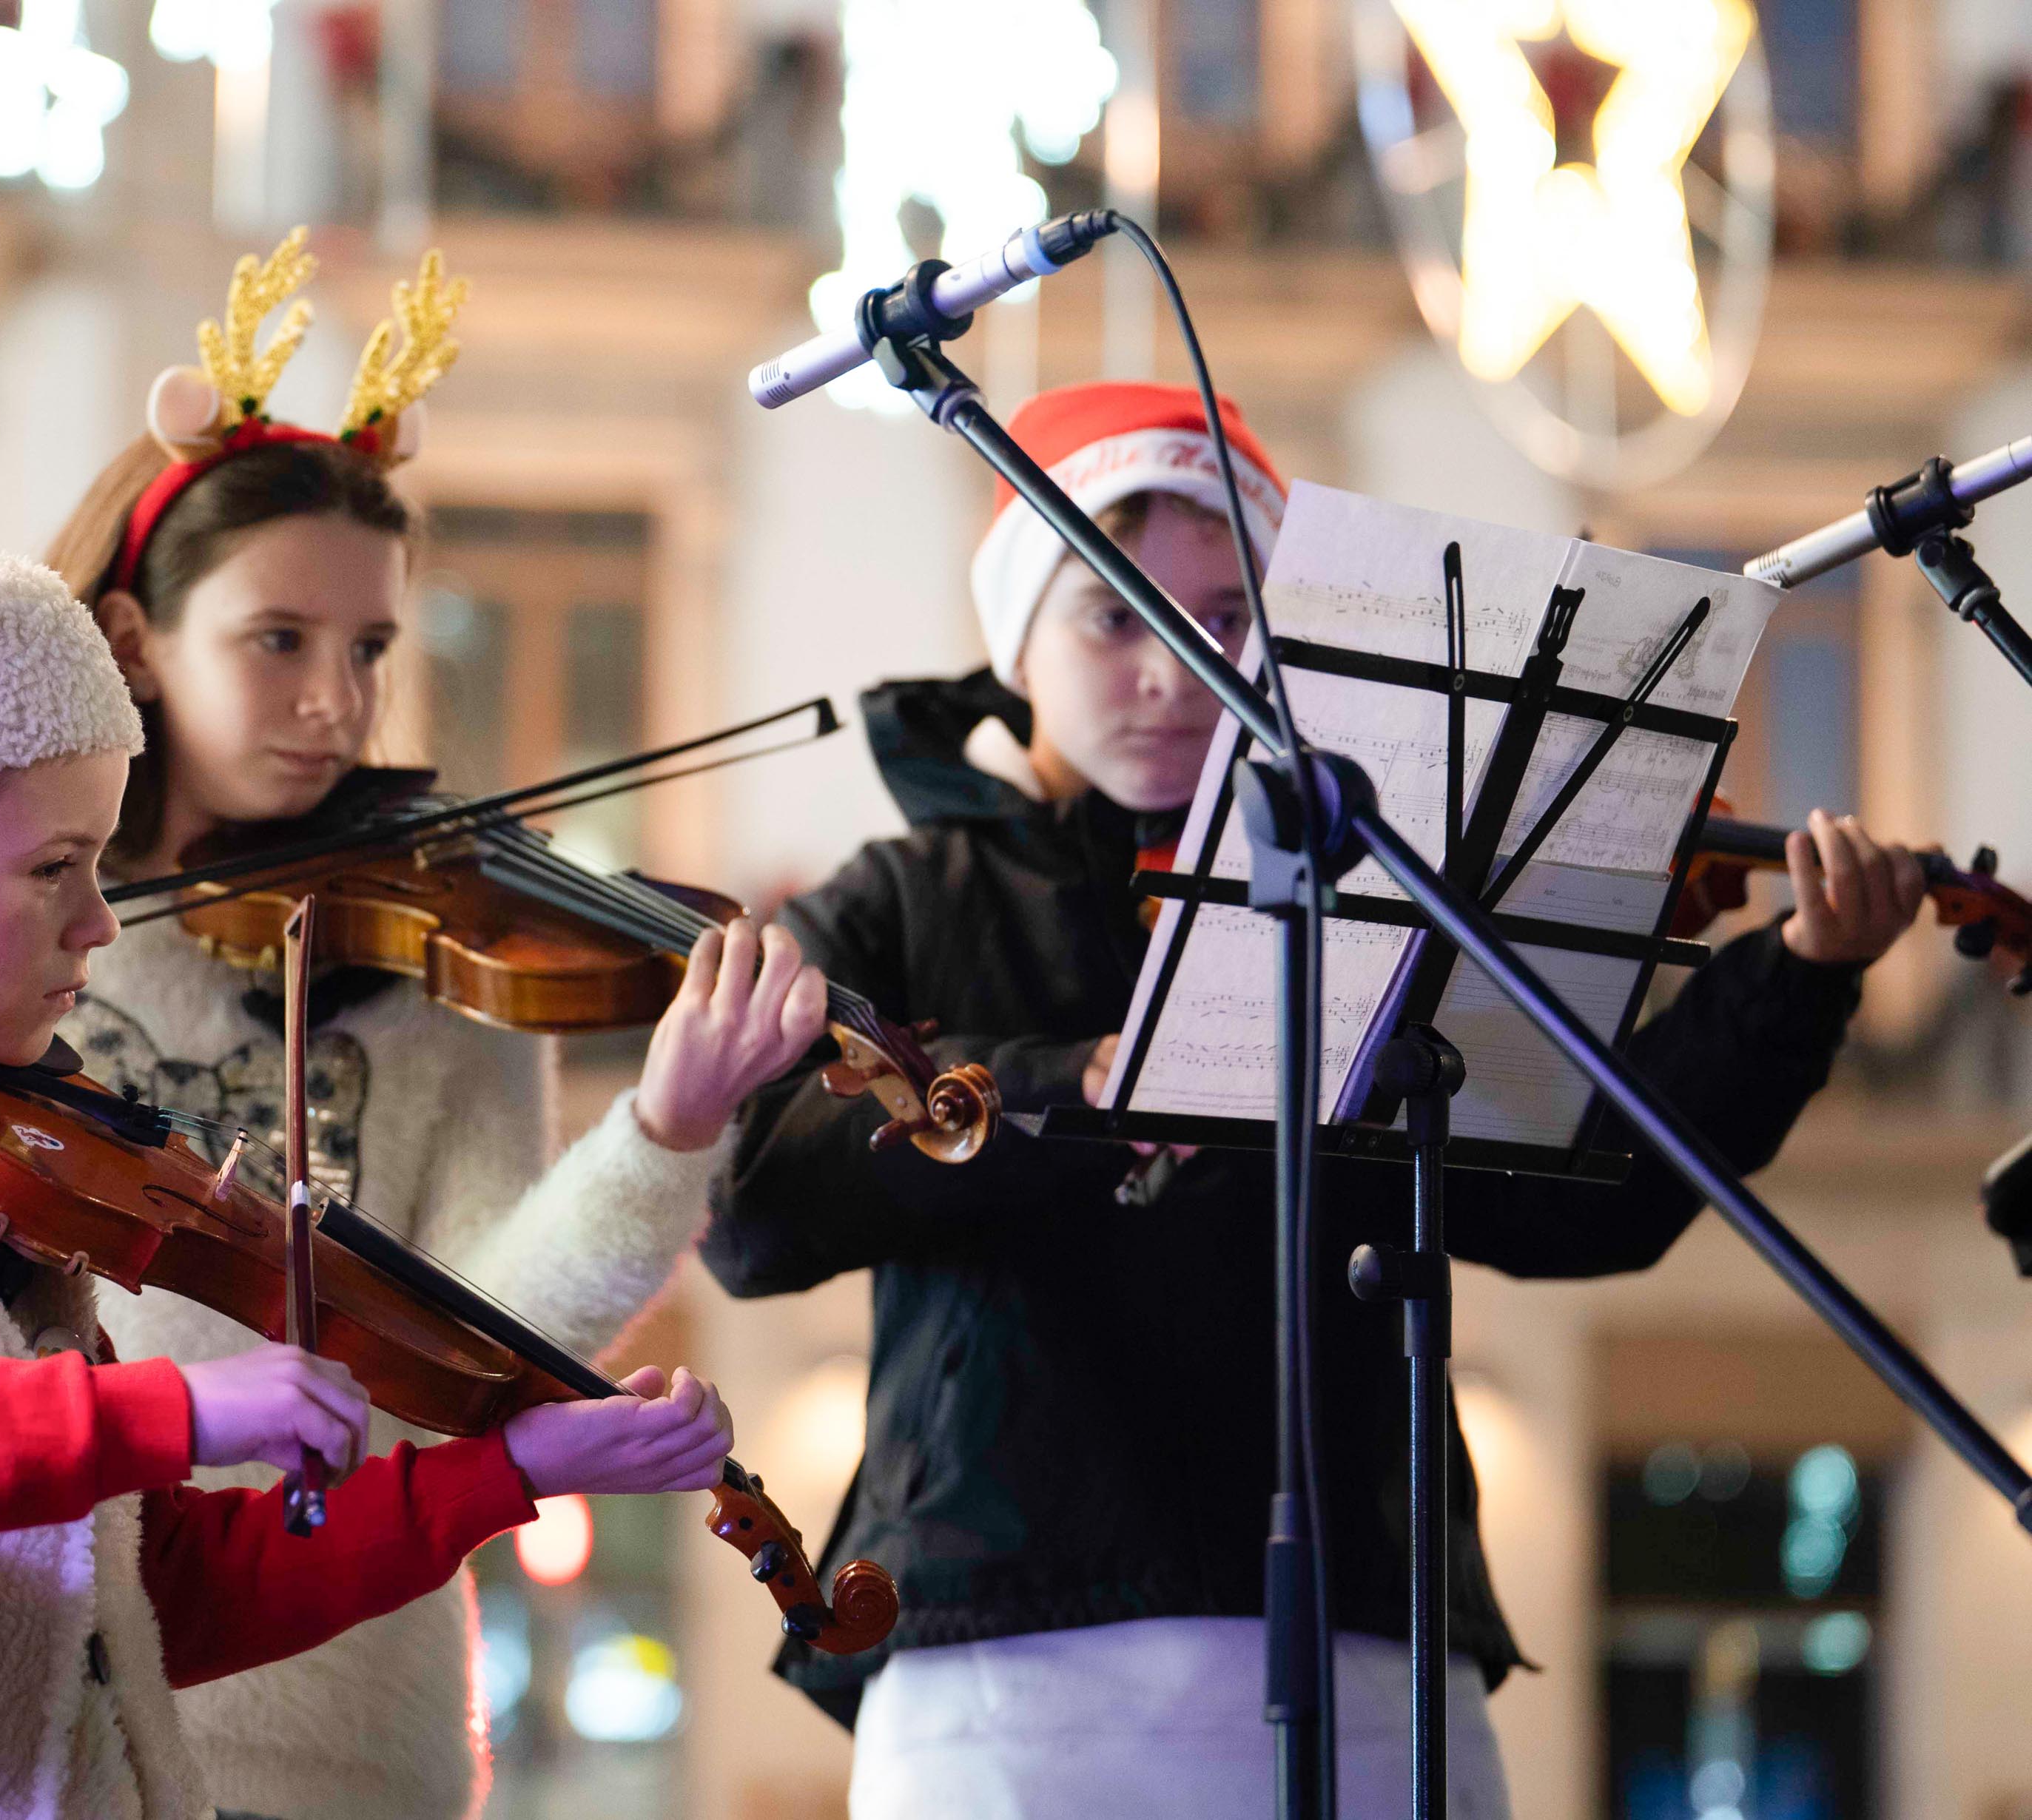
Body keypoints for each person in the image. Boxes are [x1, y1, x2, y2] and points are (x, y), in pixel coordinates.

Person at [701, 381, 1931, 1819]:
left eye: (1226, 620)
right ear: (1015, 638)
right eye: (1111, 617)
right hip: (1007, 1657)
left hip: (1371, 1630)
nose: (1173, 670)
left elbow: (1581, 1206)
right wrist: (1070, 1084)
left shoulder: (1379, 889)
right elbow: (756, 1213)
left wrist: (1792, 982)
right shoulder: (901, 901)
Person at [0, 536, 738, 1820]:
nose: (98, 920)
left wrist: (510, 1471)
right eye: (55, 867)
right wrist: (177, 1409)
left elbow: (154, 1596)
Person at [24, 232, 824, 1820]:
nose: (338, 703)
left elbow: (489, 1331)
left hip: (347, 1721)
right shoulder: (18, 932)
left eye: (371, 648)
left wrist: (663, 1127)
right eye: (279, 641)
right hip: (48, 1696)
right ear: (131, 645)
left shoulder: (437, 959)